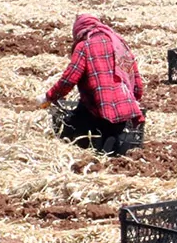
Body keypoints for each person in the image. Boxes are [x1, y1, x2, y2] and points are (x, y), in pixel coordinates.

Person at [37, 14, 145, 156]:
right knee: (114, 145)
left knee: (74, 129)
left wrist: (50, 96)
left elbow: (69, 78)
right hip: (124, 108)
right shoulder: (117, 42)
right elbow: (133, 72)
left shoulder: (84, 46)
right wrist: (135, 96)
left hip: (98, 107)